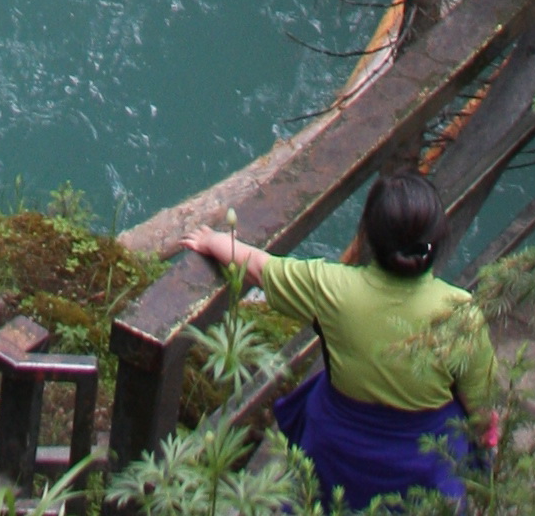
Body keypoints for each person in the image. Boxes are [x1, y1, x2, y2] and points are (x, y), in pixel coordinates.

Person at [187, 174, 499, 506]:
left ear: (369, 236)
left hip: (339, 449)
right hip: (422, 461)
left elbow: (261, 270)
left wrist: (212, 241)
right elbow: (481, 407)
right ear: (437, 239)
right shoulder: (461, 313)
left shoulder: (332, 287)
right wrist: (487, 452)